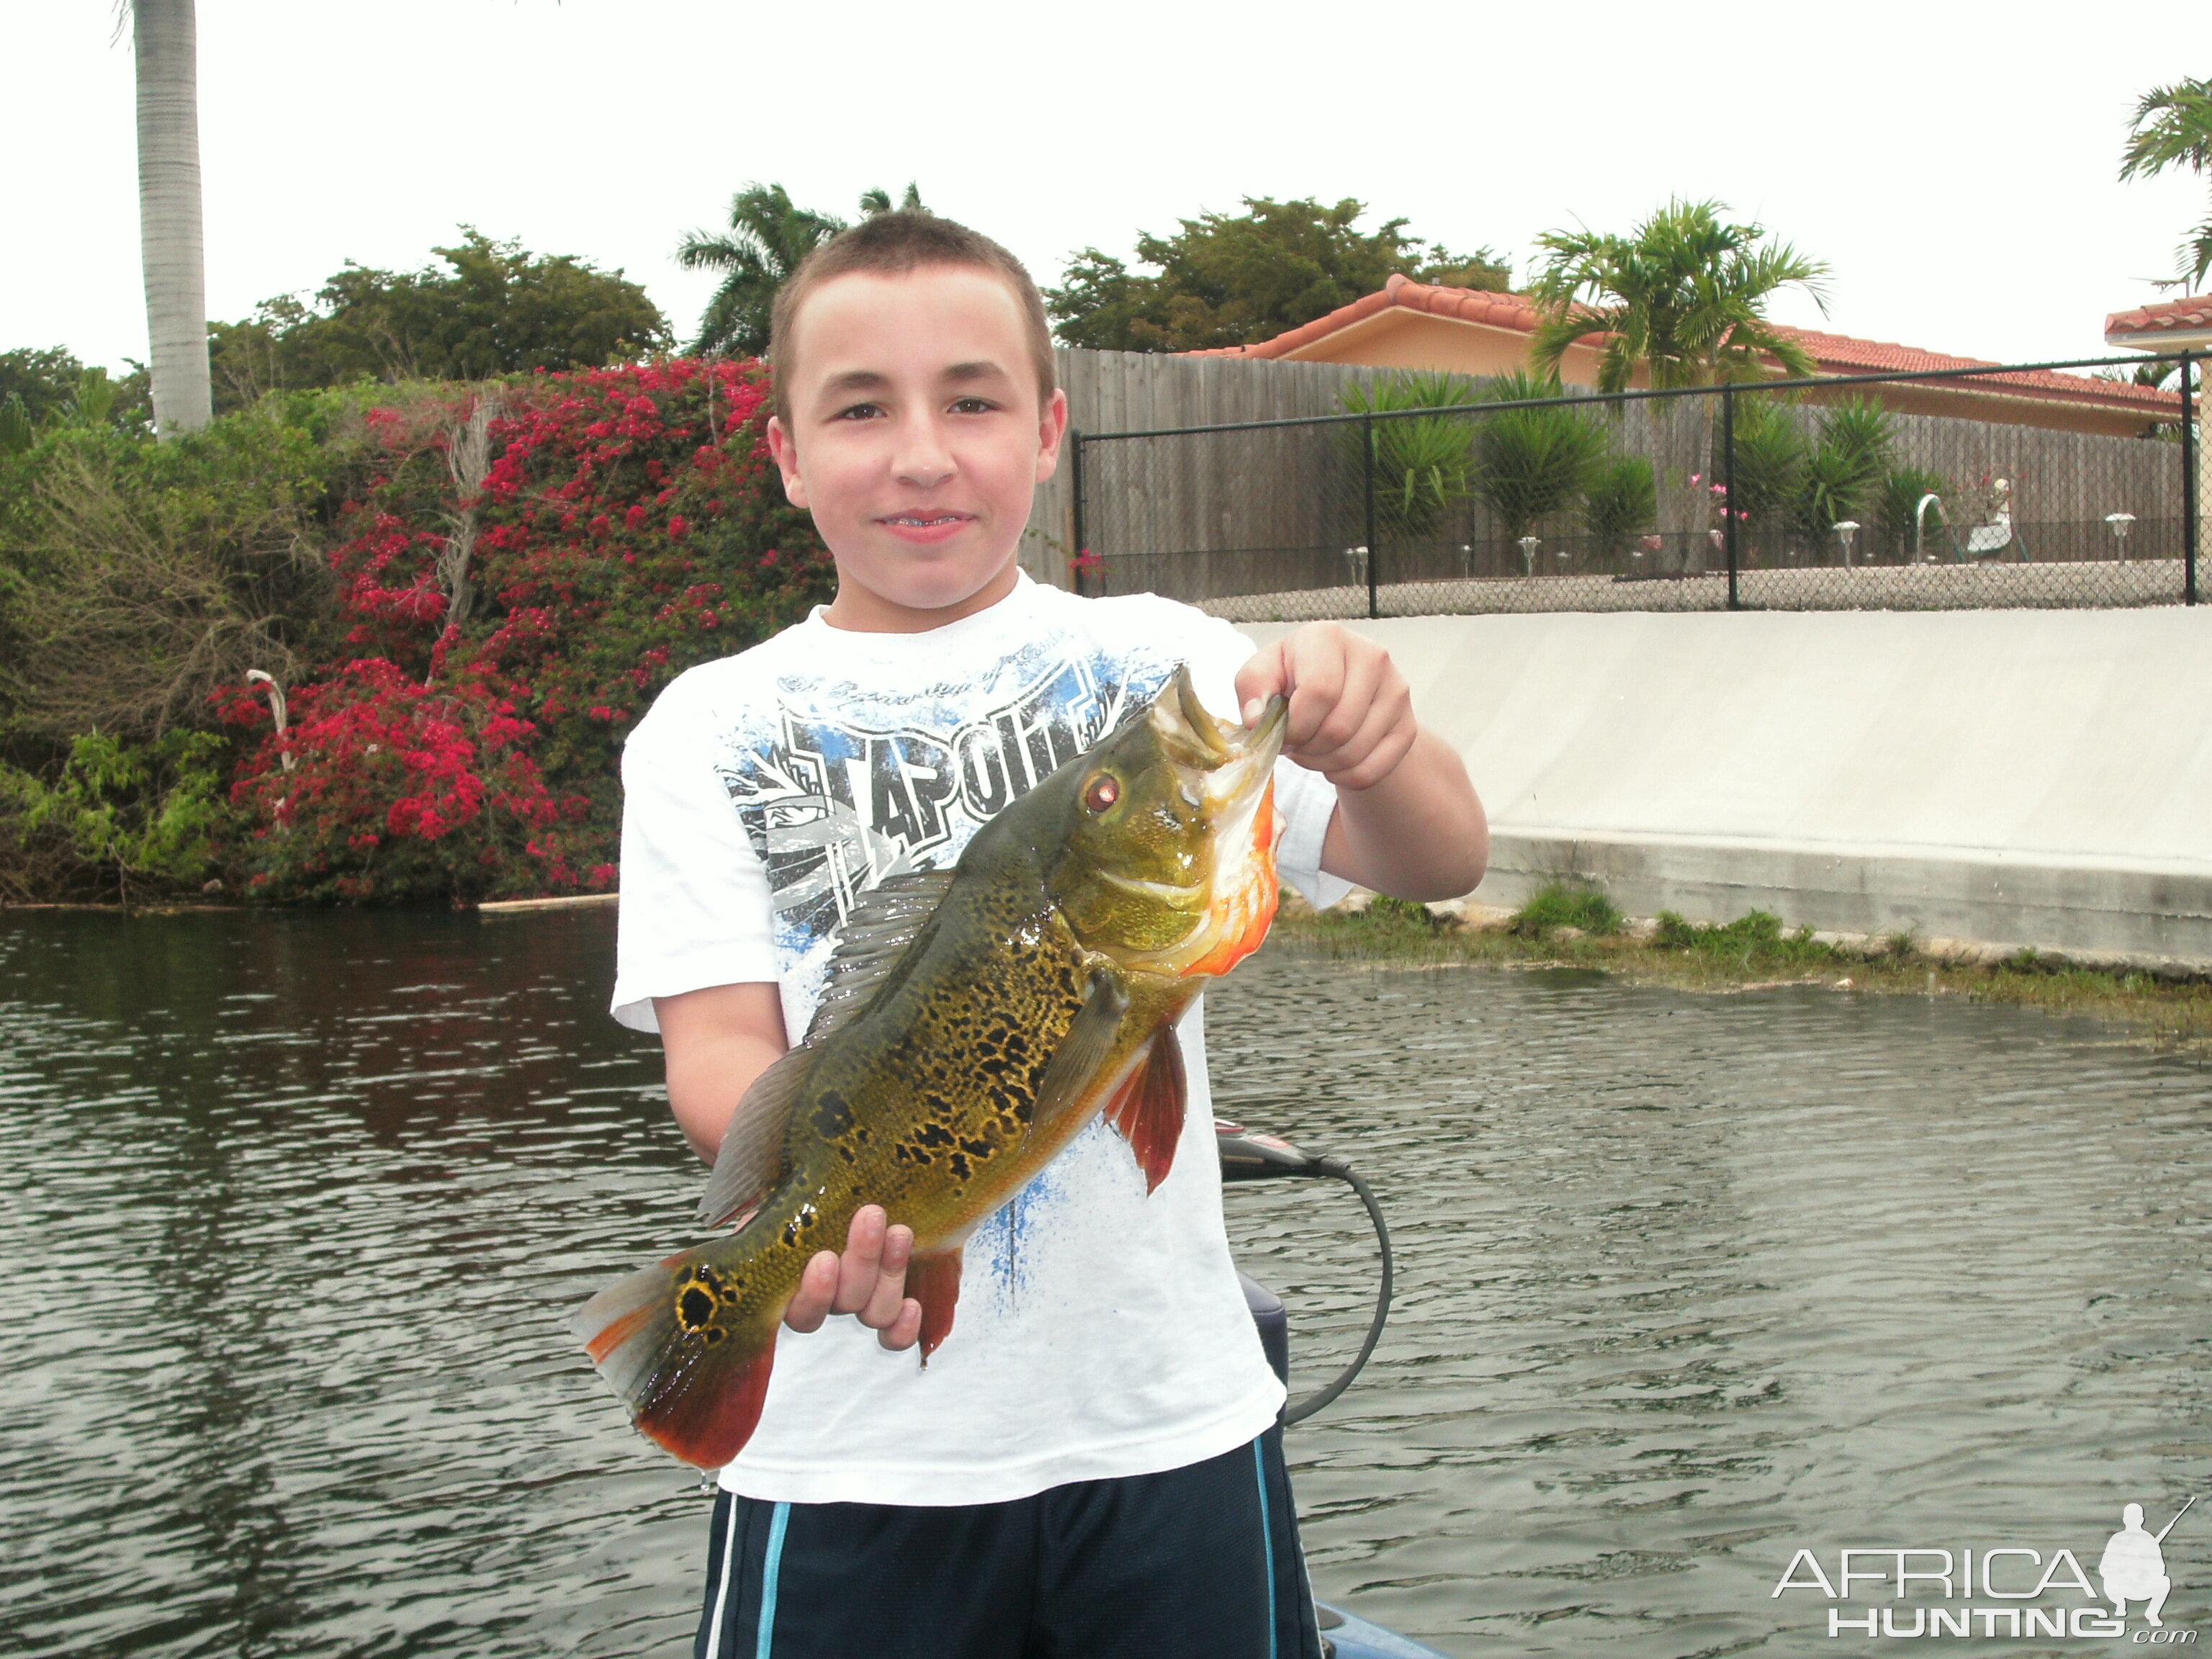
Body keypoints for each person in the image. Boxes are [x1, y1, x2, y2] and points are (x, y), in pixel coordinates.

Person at [611, 210, 1487, 1659]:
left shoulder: (1173, 666)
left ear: (1047, 430)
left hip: (1167, 1433)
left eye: (972, 399)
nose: (921, 451)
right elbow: (719, 1056)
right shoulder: (702, 726)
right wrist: (822, 1222)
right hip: (844, 1467)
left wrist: (1386, 750)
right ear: (783, 454)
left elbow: (1442, 859)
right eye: (860, 408)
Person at [2100, 1503, 2172, 1626]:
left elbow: (2160, 1569)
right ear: (2124, 1520)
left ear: (2142, 1520)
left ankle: (2152, 1613)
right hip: (2122, 1587)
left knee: (2165, 1582)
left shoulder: (2149, 1540)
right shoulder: (2117, 1539)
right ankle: (2120, 1605)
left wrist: (2144, 1573)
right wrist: (2122, 1573)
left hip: (2143, 1587)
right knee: (2108, 1581)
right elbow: (2104, 1568)